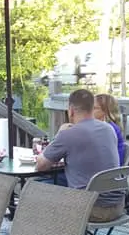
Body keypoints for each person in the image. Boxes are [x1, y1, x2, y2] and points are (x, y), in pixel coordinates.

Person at [36, 88, 123, 222]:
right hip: (118, 207)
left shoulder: (68, 134)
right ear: (91, 108)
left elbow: (41, 165)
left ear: (70, 110)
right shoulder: (108, 129)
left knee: (35, 189)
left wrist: (59, 135)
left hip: (90, 208)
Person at [94, 93, 125, 166]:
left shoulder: (108, 129)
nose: (89, 110)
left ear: (106, 111)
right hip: (103, 170)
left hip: (107, 173)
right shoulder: (100, 126)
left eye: (94, 108)